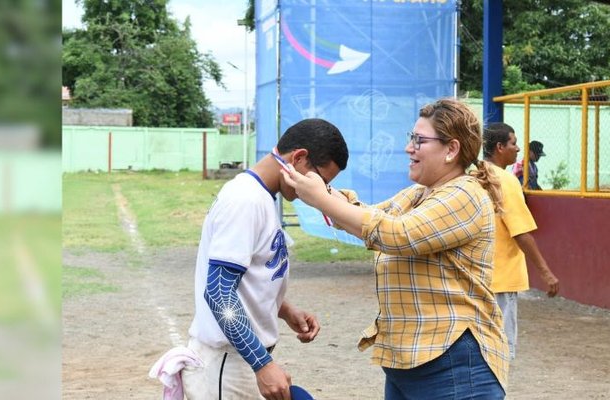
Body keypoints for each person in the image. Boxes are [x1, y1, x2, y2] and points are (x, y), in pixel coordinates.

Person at [280, 98, 510, 399]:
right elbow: (367, 217)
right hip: (411, 363)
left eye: (419, 140)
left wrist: (321, 198)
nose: (409, 148)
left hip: (453, 365)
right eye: (410, 138)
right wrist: (321, 189)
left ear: (451, 150)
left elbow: (398, 234)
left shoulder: (464, 194)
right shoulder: (419, 194)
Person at [182, 118, 349, 400]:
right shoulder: (245, 200)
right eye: (321, 179)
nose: (320, 190)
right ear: (299, 158)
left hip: (241, 359)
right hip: (228, 366)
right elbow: (220, 293)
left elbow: (246, 278)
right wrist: (263, 364)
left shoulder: (261, 197)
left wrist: (283, 309)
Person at [483, 122, 560, 361]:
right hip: (502, 276)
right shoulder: (505, 181)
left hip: (475, 276)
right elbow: (520, 232)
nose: (518, 149)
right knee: (500, 350)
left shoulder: (473, 175)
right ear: (499, 147)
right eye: (513, 143)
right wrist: (546, 272)